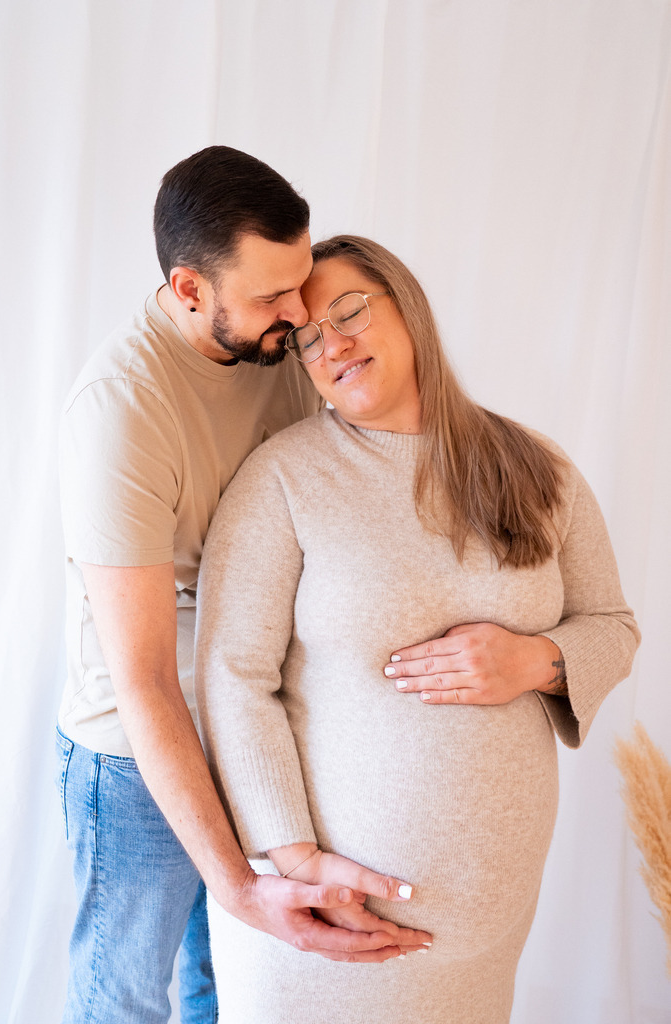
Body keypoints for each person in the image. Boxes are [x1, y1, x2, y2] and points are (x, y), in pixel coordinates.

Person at [194, 234, 641, 1024]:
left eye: (349, 312)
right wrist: (297, 864)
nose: (331, 344)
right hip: (323, 926)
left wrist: (537, 662)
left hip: (480, 941)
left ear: (407, 305)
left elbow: (612, 627)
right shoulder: (283, 479)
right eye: (306, 338)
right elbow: (234, 680)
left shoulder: (538, 470)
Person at [56, 156, 431, 1024]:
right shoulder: (120, 411)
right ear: (189, 288)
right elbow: (147, 681)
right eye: (272, 298)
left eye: (300, 285)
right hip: (135, 756)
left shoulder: (277, 342)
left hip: (251, 727)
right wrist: (235, 883)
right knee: (123, 1001)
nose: (299, 318)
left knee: (221, 990)